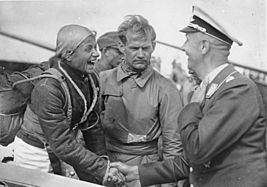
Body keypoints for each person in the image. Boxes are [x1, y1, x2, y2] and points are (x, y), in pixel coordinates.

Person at [111, 9, 267, 187]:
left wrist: (191, 106)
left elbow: (197, 150)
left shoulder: (238, 89)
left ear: (203, 46)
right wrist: (139, 173)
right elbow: (192, 162)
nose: (184, 47)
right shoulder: (217, 88)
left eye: (187, 40)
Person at [13, 24, 123, 185]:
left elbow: (92, 126)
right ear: (68, 54)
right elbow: (62, 143)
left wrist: (103, 161)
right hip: (35, 154)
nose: (96, 53)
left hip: (62, 150)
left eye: (96, 48)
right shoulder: (47, 88)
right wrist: (102, 169)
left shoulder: (90, 79)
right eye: (89, 49)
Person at [99, 15, 184, 187]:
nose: (140, 54)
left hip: (145, 171)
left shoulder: (166, 89)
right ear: (121, 46)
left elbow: (173, 145)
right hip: (106, 166)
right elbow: (87, 130)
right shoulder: (102, 80)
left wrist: (168, 183)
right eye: (134, 48)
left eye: (145, 48)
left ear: (153, 46)